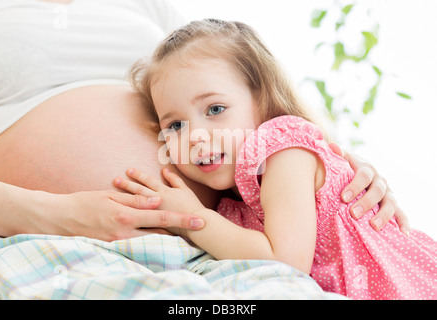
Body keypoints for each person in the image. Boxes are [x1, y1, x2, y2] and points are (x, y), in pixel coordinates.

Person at [0, 0, 407, 241]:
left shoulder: (145, 4)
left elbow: (230, 81)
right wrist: (48, 212)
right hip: (46, 233)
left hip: (220, 242)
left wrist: (331, 164)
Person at [117, 19, 437, 299]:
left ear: (262, 99)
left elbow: (285, 262)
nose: (195, 136)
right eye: (175, 125)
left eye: (215, 109)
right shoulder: (236, 207)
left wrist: (190, 218)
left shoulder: (285, 152)